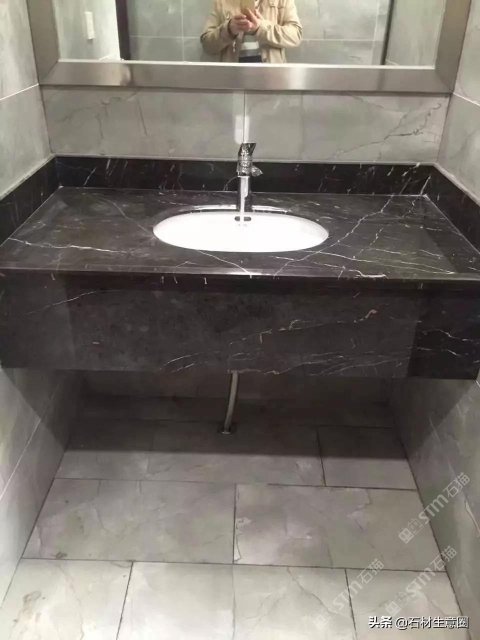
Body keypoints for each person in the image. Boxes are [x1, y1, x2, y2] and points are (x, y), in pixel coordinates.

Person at [201, 0, 302, 64]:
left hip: (271, 79)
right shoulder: (221, 2)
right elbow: (207, 45)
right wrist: (228, 30)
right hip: (232, 79)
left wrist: (261, 28)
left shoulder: (282, 1)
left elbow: (295, 35)